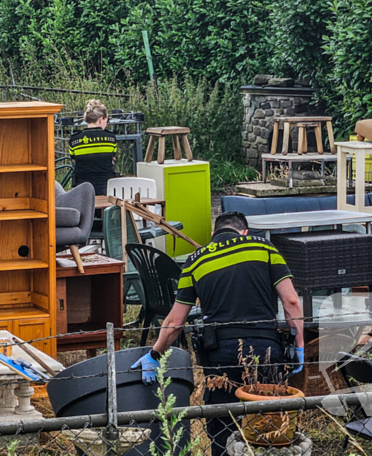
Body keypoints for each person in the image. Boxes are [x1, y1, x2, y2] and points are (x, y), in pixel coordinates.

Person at [131, 211, 306, 456]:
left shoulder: (195, 261)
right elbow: (291, 301)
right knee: (269, 426)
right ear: (244, 232)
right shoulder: (264, 248)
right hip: (265, 348)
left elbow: (175, 321)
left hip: (220, 354)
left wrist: (154, 354)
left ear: (213, 235)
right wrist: (298, 346)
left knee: (222, 424)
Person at [68, 99, 117, 195]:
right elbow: (112, 154)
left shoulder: (74, 140)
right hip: (106, 189)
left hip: (82, 189)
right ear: (100, 119)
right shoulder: (111, 138)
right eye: (106, 120)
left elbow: (73, 157)